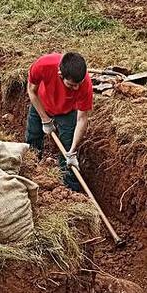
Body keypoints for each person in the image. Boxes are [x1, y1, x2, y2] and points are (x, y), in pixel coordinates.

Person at [26, 52, 93, 192]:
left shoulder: (85, 84)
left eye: (78, 85)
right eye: (71, 85)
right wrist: (45, 119)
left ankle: (70, 190)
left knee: (67, 147)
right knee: (33, 136)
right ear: (60, 74)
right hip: (41, 103)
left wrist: (72, 151)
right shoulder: (44, 65)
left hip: (67, 111)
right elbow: (32, 91)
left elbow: (82, 118)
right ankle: (30, 171)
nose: (76, 88)